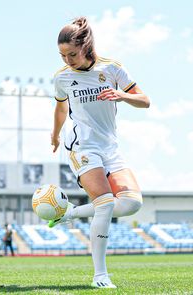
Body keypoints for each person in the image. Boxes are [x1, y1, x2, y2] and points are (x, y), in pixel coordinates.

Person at [50, 17, 150, 289]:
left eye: (72, 53)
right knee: (105, 203)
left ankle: (70, 213)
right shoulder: (62, 78)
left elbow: (145, 101)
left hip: (110, 147)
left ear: (86, 47)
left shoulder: (113, 68)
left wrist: (122, 96)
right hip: (82, 145)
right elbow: (61, 108)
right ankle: (100, 276)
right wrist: (55, 133)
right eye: (62, 55)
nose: (68, 60)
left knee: (132, 203)